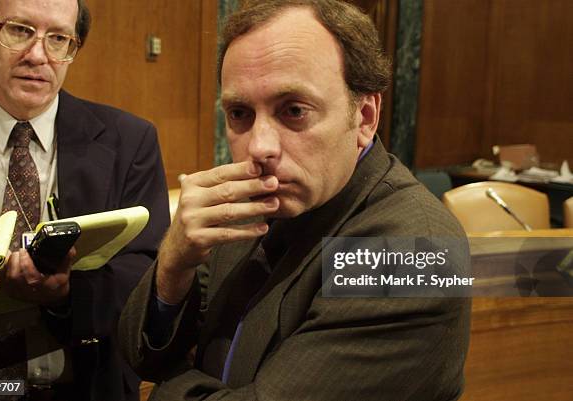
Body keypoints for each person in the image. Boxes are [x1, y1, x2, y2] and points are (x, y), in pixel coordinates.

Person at [118, 0, 470, 400]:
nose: (259, 146)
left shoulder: (417, 251)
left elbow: (162, 376)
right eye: (239, 113)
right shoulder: (252, 204)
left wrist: (169, 387)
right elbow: (140, 355)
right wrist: (174, 261)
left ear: (366, 117)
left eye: (294, 111)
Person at [0, 0, 169, 400]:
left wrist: (64, 294)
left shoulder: (130, 140)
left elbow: (146, 274)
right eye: (20, 30)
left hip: (86, 385)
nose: (38, 55)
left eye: (58, 38)